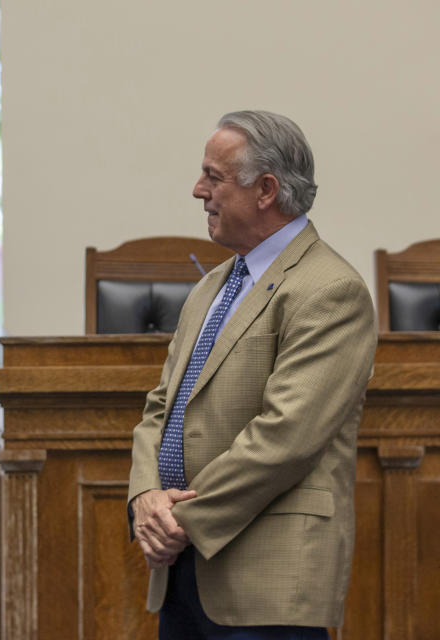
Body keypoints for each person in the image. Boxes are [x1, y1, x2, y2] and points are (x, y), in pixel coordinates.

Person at [127, 111, 377, 639]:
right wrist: (145, 495)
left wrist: (177, 521)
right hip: (181, 572)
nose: (199, 191)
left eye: (214, 177)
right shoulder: (213, 284)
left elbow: (286, 437)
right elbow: (160, 408)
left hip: (266, 579)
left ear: (266, 189)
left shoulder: (330, 289)